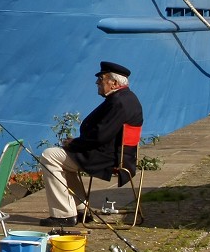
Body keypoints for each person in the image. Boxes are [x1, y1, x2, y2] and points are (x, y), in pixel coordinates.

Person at [39, 60, 143, 227]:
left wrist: (74, 144)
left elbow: (100, 136)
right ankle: (81, 210)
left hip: (106, 158)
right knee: (62, 160)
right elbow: (103, 134)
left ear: (114, 82)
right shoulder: (127, 98)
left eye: (101, 79)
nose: (97, 82)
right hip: (116, 155)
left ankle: (64, 215)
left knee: (49, 156)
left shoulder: (118, 103)